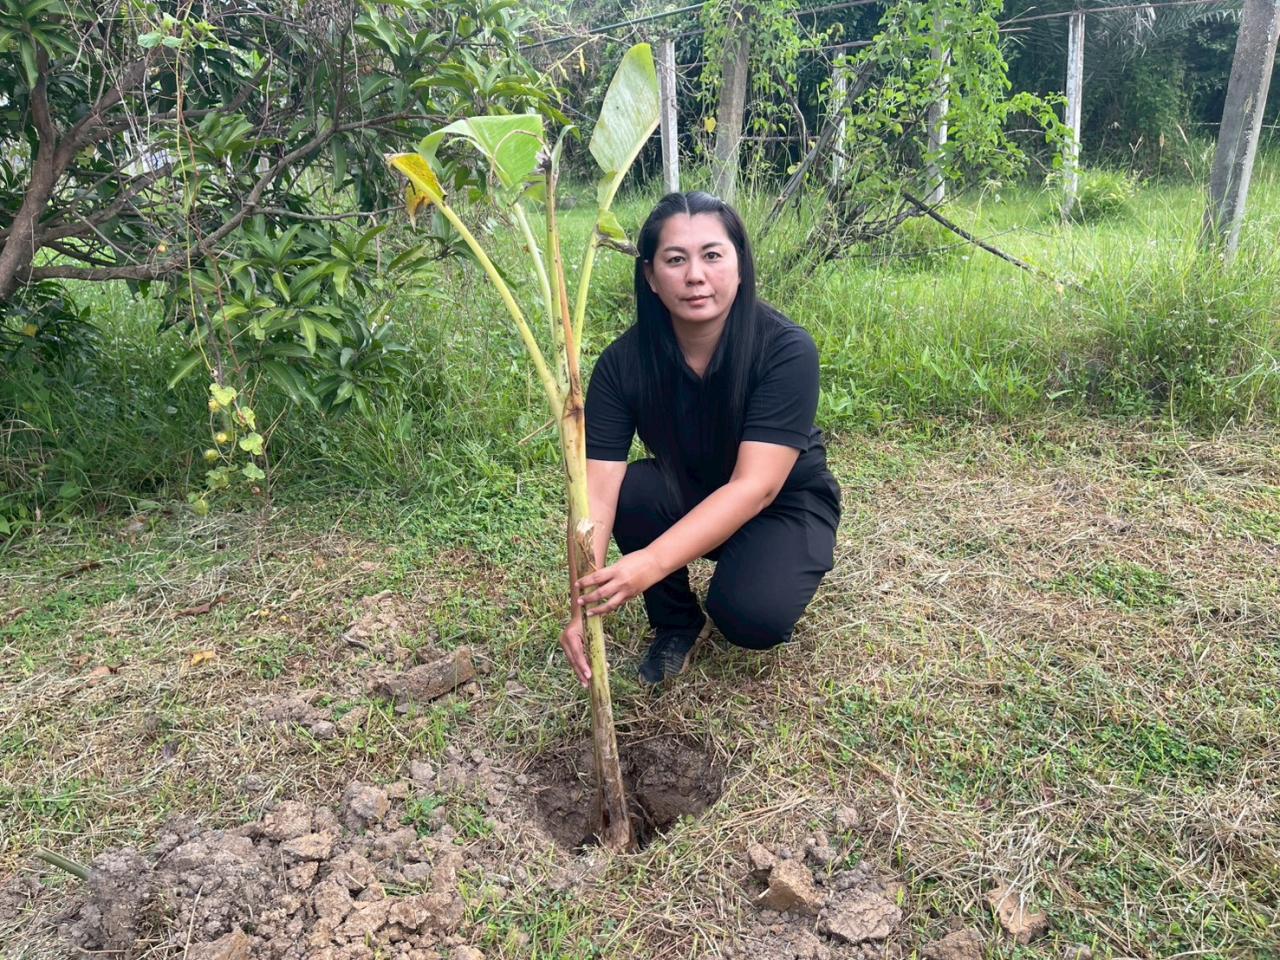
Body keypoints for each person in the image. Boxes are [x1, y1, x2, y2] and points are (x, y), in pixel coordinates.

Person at [559, 191, 841, 686]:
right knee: (633, 491)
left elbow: (758, 486)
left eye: (712, 255)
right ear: (649, 275)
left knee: (752, 616)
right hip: (688, 489)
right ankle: (675, 622)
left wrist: (647, 562)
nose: (695, 275)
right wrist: (580, 603)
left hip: (784, 503)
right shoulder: (622, 365)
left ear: (738, 265)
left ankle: (756, 569)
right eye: (675, 259)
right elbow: (598, 493)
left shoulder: (785, 350)